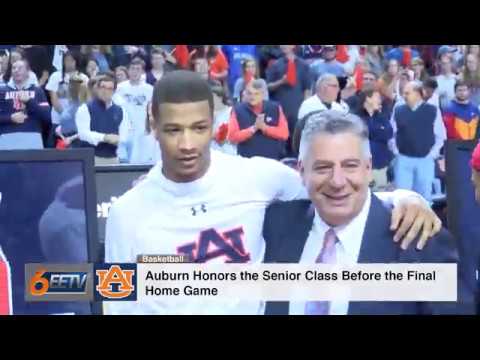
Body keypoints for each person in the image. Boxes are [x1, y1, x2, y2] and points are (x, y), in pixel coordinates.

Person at [104, 70, 443, 315]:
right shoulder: (127, 214)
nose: (187, 144)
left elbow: (331, 188)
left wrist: (403, 198)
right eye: (173, 130)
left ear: (215, 122)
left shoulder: (258, 178)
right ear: (154, 124)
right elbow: (117, 305)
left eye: (199, 128)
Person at [262, 110, 475, 315]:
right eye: (323, 167)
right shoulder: (274, 226)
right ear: (301, 170)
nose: (337, 181)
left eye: (350, 166)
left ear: (368, 167)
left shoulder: (419, 241)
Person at [390, 81, 447, 202]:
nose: (404, 96)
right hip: (403, 160)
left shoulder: (433, 110)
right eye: (403, 93)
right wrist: (396, 151)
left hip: (425, 160)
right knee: (402, 197)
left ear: (418, 94)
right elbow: (392, 133)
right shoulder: (398, 110)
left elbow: (441, 135)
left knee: (424, 198)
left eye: (407, 93)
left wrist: (432, 154)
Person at [267, 45, 311, 156]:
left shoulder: (303, 65)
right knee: (280, 140)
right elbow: (268, 87)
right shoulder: (275, 65)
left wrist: (305, 108)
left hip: (297, 108)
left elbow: (307, 88)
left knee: (297, 139)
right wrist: (281, 82)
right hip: (280, 109)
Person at [227, 79, 288, 160]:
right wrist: (253, 128)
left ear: (262, 94)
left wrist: (265, 128)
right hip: (247, 161)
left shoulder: (275, 108)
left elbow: (284, 134)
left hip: (271, 160)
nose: (253, 97)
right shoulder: (237, 110)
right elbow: (232, 137)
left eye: (256, 94)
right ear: (245, 94)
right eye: (250, 93)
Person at [75, 74, 127, 165]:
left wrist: (120, 139)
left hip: (113, 158)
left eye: (109, 88)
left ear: (114, 91)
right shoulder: (85, 108)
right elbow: (83, 134)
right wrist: (104, 137)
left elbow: (125, 134)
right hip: (91, 157)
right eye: (103, 87)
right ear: (98, 89)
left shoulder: (120, 110)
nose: (105, 91)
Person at [0, 60, 51, 149]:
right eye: (14, 68)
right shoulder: (2, 91)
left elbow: (47, 117)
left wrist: (29, 101)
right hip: (7, 139)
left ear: (28, 72)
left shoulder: (37, 91)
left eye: (20, 68)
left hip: (32, 138)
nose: (16, 70)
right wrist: (10, 118)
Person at [114, 58, 153, 162]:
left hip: (142, 130)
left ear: (142, 72)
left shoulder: (149, 89)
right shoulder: (119, 88)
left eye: (138, 69)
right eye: (132, 69)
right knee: (124, 160)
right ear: (128, 71)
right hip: (124, 129)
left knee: (141, 160)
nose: (135, 72)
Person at [355, 89, 393, 190]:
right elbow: (360, 134)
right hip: (360, 167)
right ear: (368, 98)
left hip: (380, 165)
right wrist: (378, 131)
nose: (380, 101)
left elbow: (388, 133)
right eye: (377, 97)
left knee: (380, 196)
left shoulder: (382, 116)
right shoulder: (356, 116)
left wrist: (371, 133)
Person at [46, 51, 89, 127]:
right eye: (66, 60)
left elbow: (85, 99)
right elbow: (53, 97)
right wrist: (63, 113)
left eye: (71, 60)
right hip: (58, 119)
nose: (69, 63)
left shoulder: (84, 78)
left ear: (76, 61)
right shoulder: (55, 76)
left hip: (76, 119)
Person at [55, 74, 89, 148]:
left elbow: (88, 128)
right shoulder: (70, 104)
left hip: (79, 144)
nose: (71, 87)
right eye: (71, 84)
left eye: (76, 84)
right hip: (65, 141)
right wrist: (60, 129)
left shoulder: (86, 105)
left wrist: (71, 139)